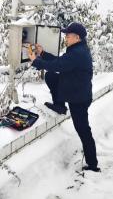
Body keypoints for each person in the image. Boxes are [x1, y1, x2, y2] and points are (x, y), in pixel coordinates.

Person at [28, 22, 100, 172]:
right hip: (75, 89)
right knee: (52, 77)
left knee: (83, 130)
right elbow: (61, 62)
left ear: (77, 37)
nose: (65, 37)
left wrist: (36, 61)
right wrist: (42, 54)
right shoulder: (77, 49)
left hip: (78, 98)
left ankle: (93, 165)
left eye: (67, 35)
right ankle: (60, 105)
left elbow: (58, 65)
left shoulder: (77, 53)